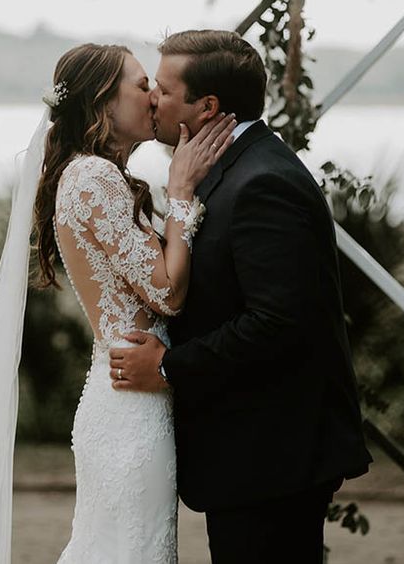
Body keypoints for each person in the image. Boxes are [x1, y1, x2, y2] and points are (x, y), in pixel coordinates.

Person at [0, 42, 235, 564]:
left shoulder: (95, 174)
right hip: (129, 408)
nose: (154, 97)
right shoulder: (93, 177)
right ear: (103, 103)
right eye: (141, 86)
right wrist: (181, 190)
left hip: (130, 392)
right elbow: (166, 290)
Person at [109, 29, 372, 563]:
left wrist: (168, 367)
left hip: (274, 453)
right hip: (253, 451)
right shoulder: (224, 168)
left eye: (163, 89)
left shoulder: (262, 183)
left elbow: (276, 321)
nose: (152, 99)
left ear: (206, 107)